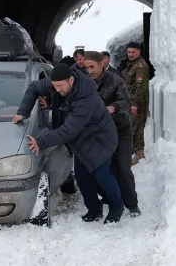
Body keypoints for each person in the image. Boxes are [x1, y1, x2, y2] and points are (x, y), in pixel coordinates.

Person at [12, 63, 124, 224]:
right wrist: (23, 112)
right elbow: (33, 88)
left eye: (60, 86)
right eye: (54, 86)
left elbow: (67, 131)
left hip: (100, 139)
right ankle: (94, 210)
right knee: (82, 177)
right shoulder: (56, 83)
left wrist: (40, 142)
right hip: (81, 139)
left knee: (102, 176)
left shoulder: (86, 98)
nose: (57, 90)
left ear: (71, 80)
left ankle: (117, 208)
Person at [81, 51, 141, 217]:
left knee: (122, 167)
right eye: (86, 68)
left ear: (102, 64)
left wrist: (113, 107)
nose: (90, 71)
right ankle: (110, 197)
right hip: (99, 134)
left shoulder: (116, 81)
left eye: (92, 67)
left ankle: (132, 204)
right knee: (100, 168)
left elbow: (126, 101)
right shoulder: (84, 83)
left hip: (120, 131)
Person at [124, 42, 149, 165]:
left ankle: (138, 155)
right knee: (135, 128)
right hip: (132, 101)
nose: (130, 54)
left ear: (139, 52)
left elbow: (140, 87)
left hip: (138, 104)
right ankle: (139, 154)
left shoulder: (140, 66)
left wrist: (135, 104)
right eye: (129, 52)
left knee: (136, 129)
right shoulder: (132, 64)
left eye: (133, 52)